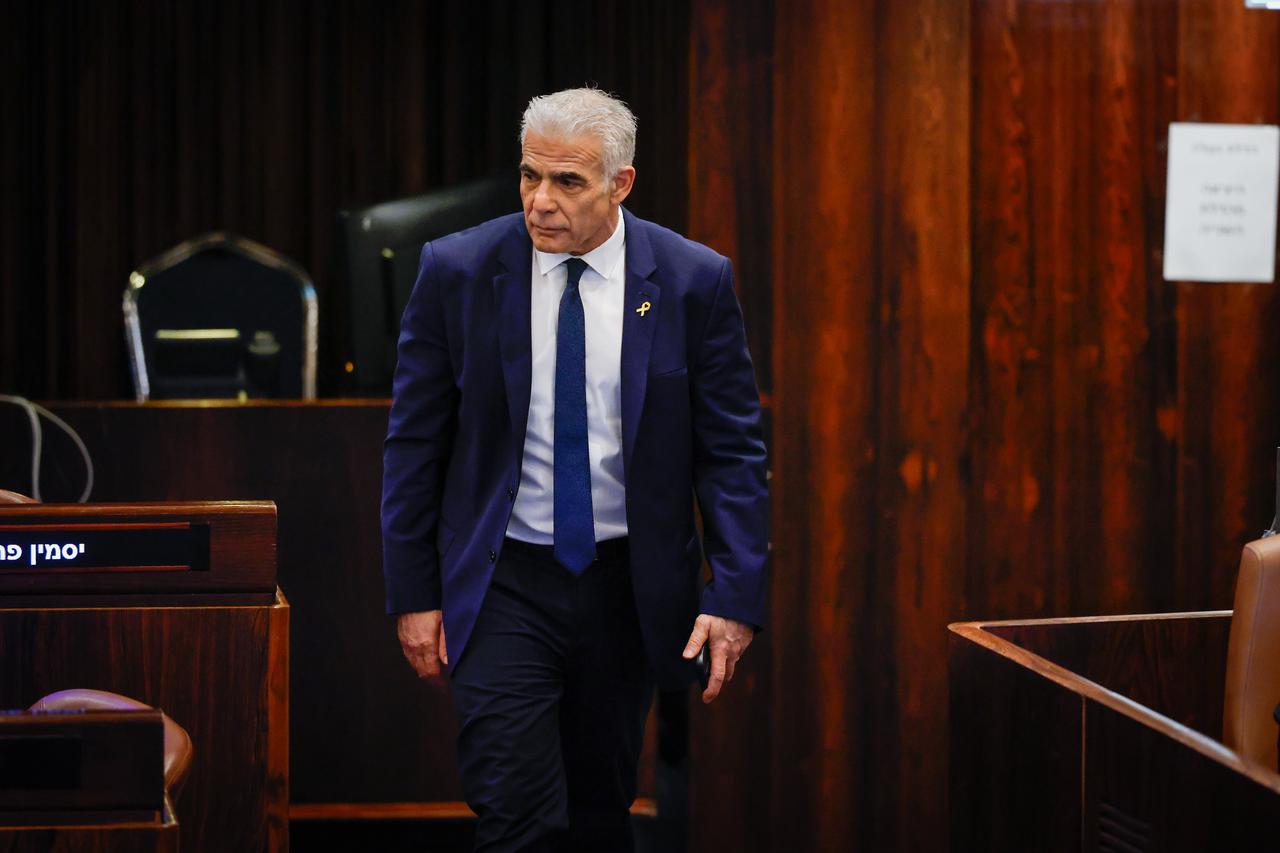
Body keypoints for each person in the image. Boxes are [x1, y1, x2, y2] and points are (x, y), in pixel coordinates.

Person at [382, 87, 769, 852]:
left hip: (627, 585)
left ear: (620, 184)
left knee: (599, 812)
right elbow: (412, 447)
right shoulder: (458, 270)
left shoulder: (694, 282)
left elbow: (732, 452)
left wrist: (736, 595)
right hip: (504, 583)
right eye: (530, 176)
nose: (541, 202)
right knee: (515, 813)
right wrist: (413, 592)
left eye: (568, 182)